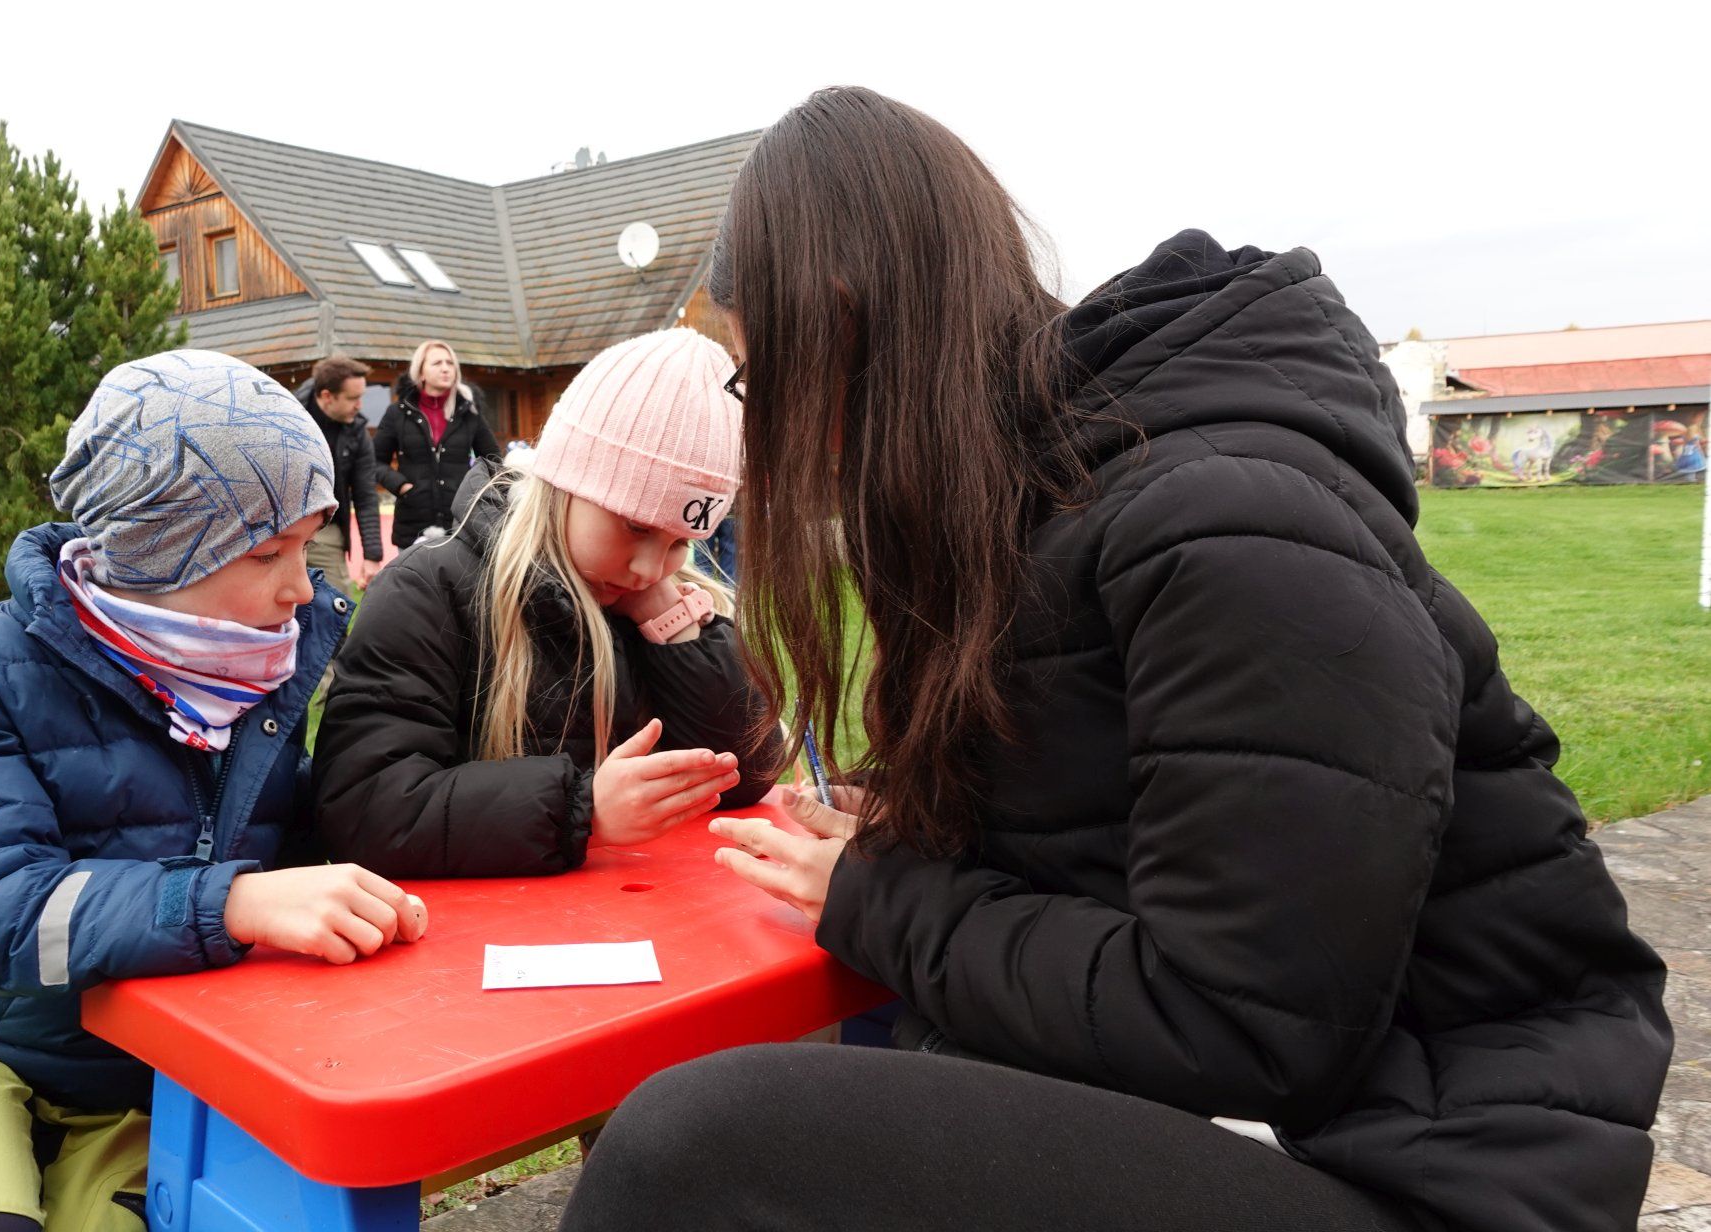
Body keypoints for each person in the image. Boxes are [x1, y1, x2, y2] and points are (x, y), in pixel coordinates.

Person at [560, 88, 1668, 1232]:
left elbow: (1242, 1023)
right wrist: (918, 821)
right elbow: (1136, 846)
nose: (760, 422)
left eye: (752, 372)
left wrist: (880, 895)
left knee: (694, 1147)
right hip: (1302, 1125)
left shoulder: (1227, 529)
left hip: (1430, 1170)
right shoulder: (1043, 514)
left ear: (839, 323)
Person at [0, 349, 428, 1232]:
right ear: (156, 552)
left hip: (149, 1075)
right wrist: (229, 901)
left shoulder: (252, 669)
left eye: (306, 545)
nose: (295, 587)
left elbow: (312, 822)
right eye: (265, 551)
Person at [314, 327, 782, 877]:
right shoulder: (430, 591)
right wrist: (581, 810)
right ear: (565, 484)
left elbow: (746, 773)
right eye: (634, 526)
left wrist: (675, 628)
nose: (650, 569)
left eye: (680, 541)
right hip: (474, 944)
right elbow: (362, 806)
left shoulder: (655, 604)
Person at [370, 339, 502, 553]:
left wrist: (474, 493)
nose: (445, 368)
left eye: (450, 363)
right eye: (437, 363)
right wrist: (402, 487)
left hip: (460, 523)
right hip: (413, 525)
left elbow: (493, 461)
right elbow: (374, 461)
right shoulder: (398, 413)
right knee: (412, 586)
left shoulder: (469, 413)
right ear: (420, 372)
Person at [296, 353, 384, 593]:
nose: (360, 405)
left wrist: (372, 556)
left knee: (336, 608)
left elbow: (365, 494)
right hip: (282, 527)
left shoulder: (357, 433)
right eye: (353, 398)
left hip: (327, 530)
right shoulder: (289, 418)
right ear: (327, 396)